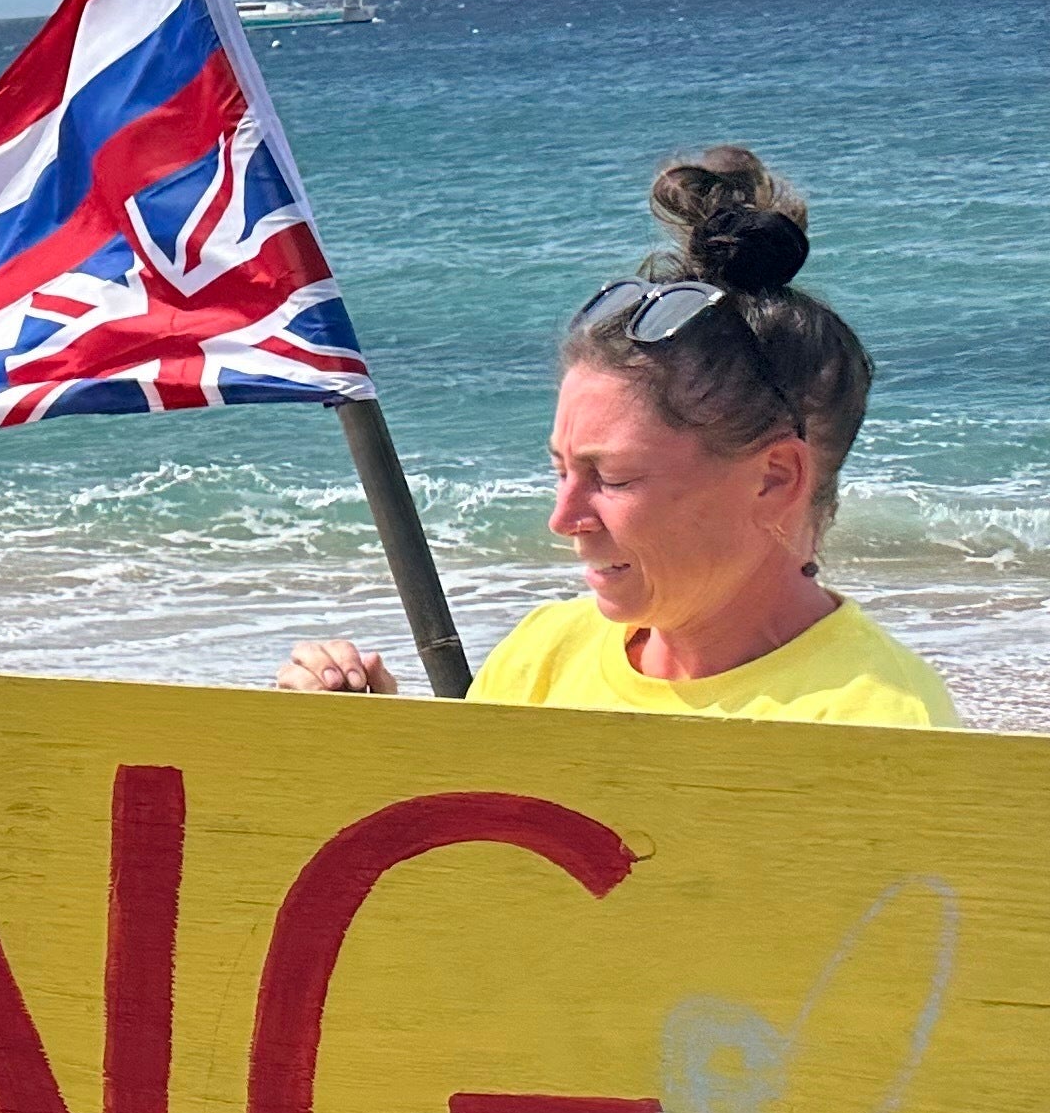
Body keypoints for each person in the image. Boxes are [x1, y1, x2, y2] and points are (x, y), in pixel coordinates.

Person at [279, 148, 955, 727]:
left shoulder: (879, 722)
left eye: (613, 479)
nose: (562, 519)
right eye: (561, 470)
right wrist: (370, 753)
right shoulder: (545, 655)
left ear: (775, 477)